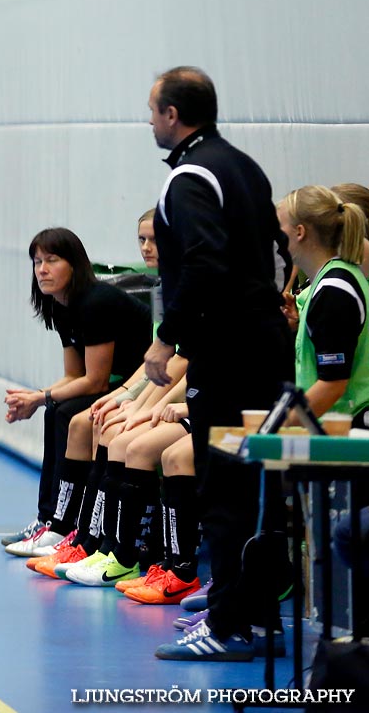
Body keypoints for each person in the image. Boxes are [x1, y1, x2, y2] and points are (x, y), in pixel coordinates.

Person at [143, 67, 295, 662]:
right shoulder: (243, 166)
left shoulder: (190, 178)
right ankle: (251, 613)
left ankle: (230, 625)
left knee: (227, 484)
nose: (150, 121)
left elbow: (206, 264)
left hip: (230, 359)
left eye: (153, 111)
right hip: (259, 349)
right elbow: (280, 252)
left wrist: (169, 337)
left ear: (173, 115)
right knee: (258, 483)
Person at [3, 227, 151, 559]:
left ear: (74, 264)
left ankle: (65, 523)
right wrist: (36, 397)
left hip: (144, 384)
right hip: (113, 382)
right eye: (37, 261)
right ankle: (49, 519)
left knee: (67, 413)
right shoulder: (60, 306)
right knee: (57, 409)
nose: (42, 269)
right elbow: (74, 375)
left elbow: (96, 382)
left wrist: (39, 398)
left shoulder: (95, 302)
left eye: (52, 260)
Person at [278, 185, 368, 423]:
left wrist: (280, 427)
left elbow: (332, 384)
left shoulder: (334, 291)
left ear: (299, 232)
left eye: (279, 226)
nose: (274, 234)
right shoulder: (329, 281)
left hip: (348, 426)